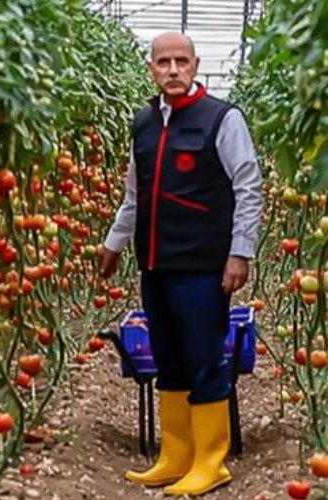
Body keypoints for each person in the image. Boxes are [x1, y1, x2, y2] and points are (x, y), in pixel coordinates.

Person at [100, 32, 262, 497]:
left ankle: (211, 461)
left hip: (204, 265)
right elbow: (135, 194)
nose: (172, 69)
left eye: (181, 61)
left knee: (203, 357)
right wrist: (114, 243)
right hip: (155, 264)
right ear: (151, 68)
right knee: (169, 357)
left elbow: (249, 188)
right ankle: (175, 456)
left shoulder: (222, 119)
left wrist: (240, 252)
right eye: (163, 61)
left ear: (195, 65)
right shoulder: (143, 124)